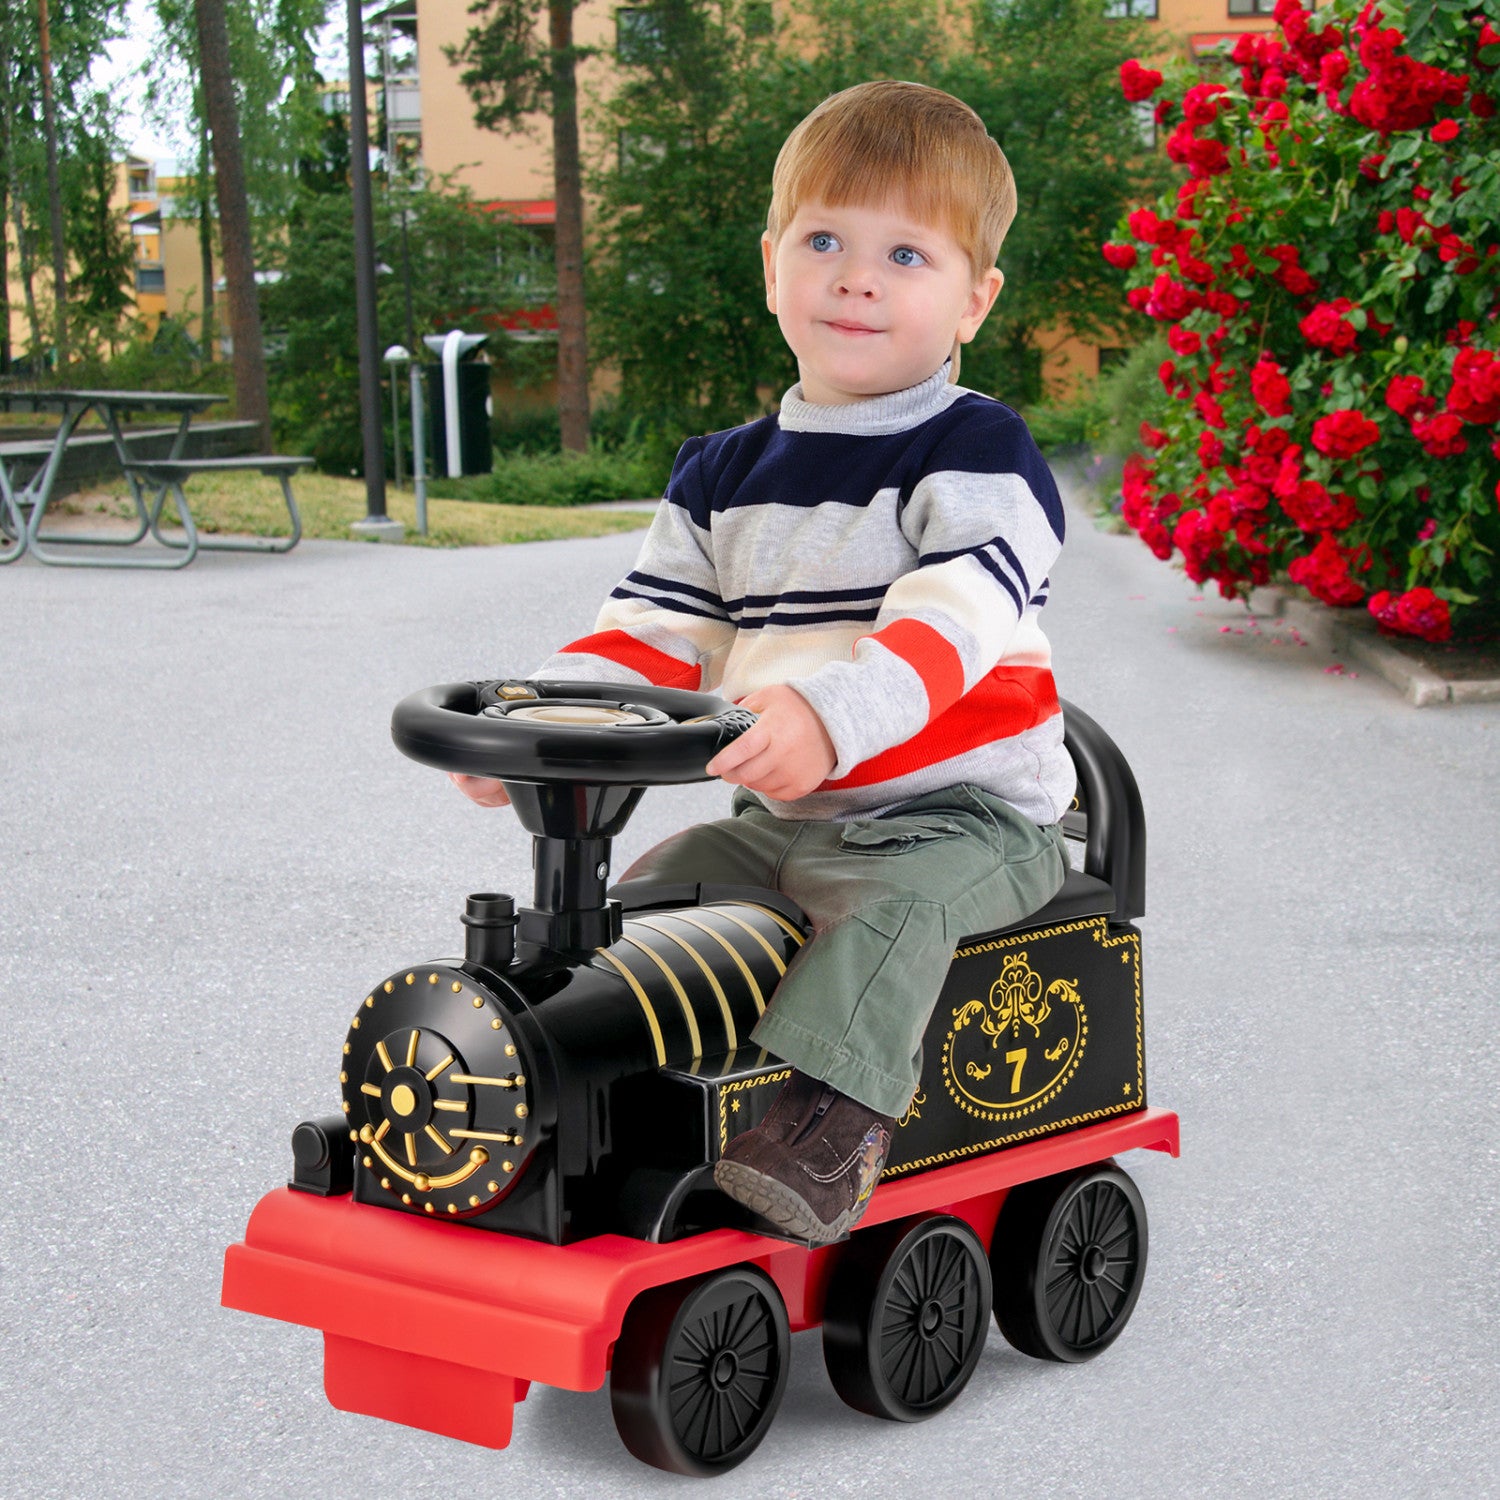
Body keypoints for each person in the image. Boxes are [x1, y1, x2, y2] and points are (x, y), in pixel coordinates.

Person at [454, 80, 1073, 1244]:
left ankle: (831, 1129)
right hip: (786, 816)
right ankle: (602, 1107)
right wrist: (546, 728)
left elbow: (952, 621)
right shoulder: (719, 472)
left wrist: (831, 717)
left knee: (886, 911)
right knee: (651, 898)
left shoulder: (979, 453)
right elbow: (650, 634)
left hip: (960, 818)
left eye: (906, 254)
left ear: (975, 300)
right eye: (825, 240)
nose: (857, 278)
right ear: (772, 264)